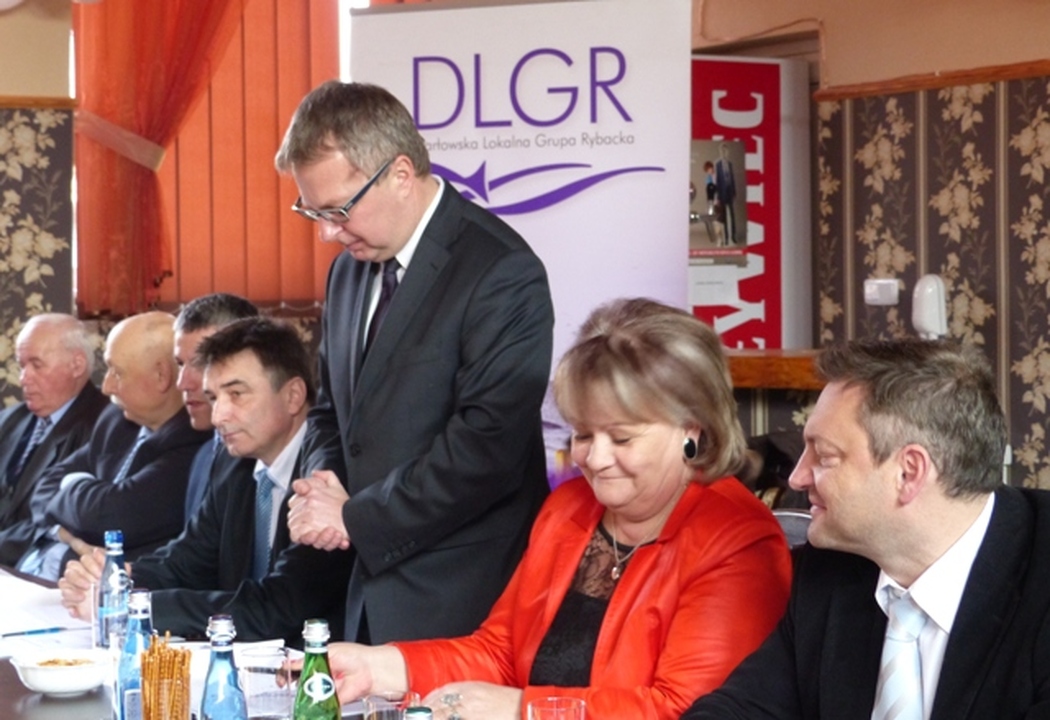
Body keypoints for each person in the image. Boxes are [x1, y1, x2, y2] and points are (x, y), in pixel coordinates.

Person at [313, 298, 792, 720]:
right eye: (582, 434)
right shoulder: (569, 507)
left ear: (692, 429)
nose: (594, 459)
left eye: (621, 438)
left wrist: (523, 710)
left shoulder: (737, 539)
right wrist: (381, 666)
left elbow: (685, 710)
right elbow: (500, 654)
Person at [275, 81, 555, 644]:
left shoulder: (501, 270)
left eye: (339, 210)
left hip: (462, 598)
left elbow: (485, 451)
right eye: (313, 212)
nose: (327, 233)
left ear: (401, 174)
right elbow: (332, 411)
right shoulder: (349, 270)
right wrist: (322, 487)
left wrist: (354, 517)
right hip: (364, 590)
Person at [682, 338, 1050, 720]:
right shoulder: (830, 568)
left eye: (825, 457)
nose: (796, 477)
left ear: (908, 473)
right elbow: (740, 708)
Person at [58, 318, 351, 644]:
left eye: (236, 394)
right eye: (213, 398)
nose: (218, 416)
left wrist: (137, 607)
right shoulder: (233, 464)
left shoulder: (329, 479)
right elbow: (185, 562)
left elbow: (275, 608)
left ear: (293, 396)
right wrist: (117, 579)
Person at [11, 312, 210, 579]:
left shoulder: (195, 440)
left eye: (116, 372)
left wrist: (73, 487)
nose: (106, 387)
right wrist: (72, 535)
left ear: (161, 376)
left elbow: (112, 518)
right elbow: (44, 487)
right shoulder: (116, 418)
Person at [0, 314, 108, 565]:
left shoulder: (103, 426)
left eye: (36, 365)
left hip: (38, 566)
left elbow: (61, 520)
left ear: (77, 365)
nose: (23, 378)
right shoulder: (9, 419)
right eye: (22, 365)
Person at [172, 293, 259, 522]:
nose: (182, 383)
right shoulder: (203, 457)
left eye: (201, 363)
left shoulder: (268, 463)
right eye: (180, 364)